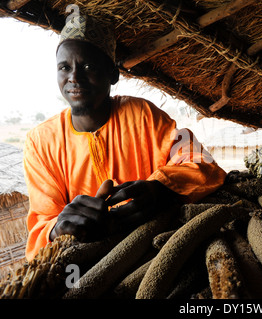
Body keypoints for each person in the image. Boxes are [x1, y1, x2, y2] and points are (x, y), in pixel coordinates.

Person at [23, 14, 227, 261]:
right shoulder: (40, 142)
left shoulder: (143, 114)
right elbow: (41, 227)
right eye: (64, 67)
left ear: (113, 74)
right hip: (89, 263)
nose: (74, 77)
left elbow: (203, 164)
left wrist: (160, 188)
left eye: (88, 66)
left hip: (154, 249)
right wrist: (59, 227)